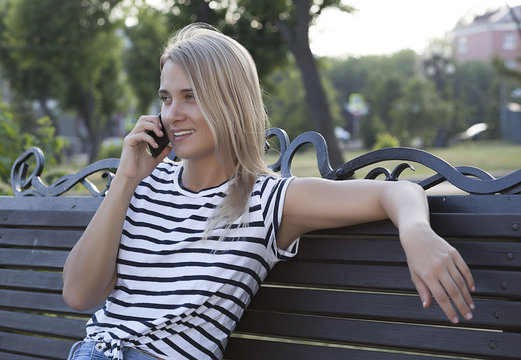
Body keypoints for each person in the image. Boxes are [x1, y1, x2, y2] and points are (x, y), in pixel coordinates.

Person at [62, 23, 475, 360]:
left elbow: (396, 192)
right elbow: (79, 294)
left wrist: (416, 231)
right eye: (166, 99)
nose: (173, 115)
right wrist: (126, 179)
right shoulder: (142, 186)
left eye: (191, 96)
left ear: (230, 101)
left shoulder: (268, 200)